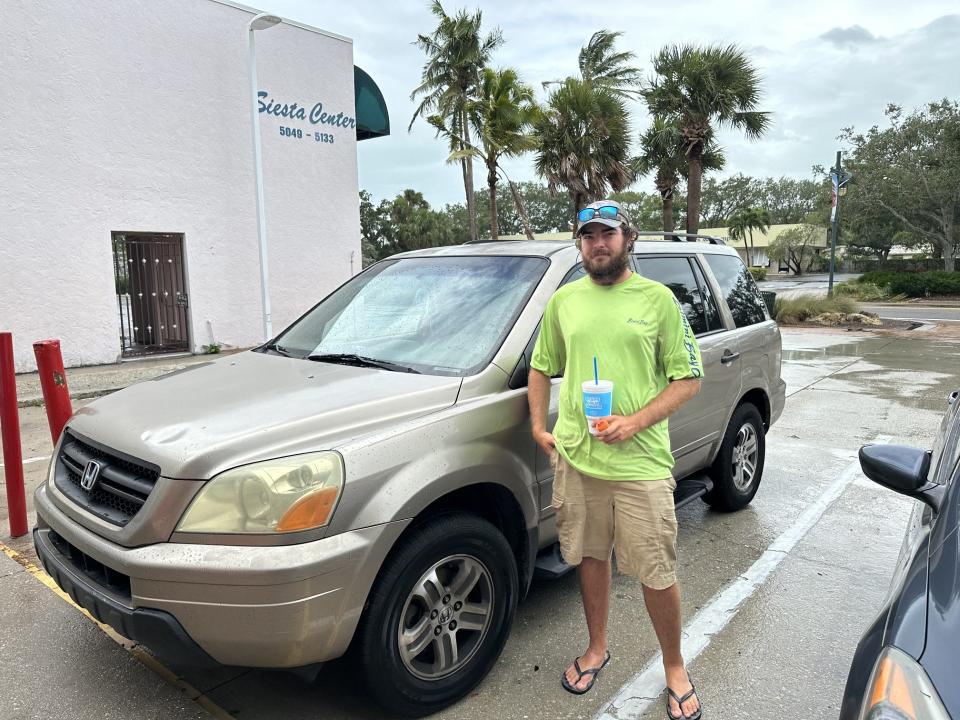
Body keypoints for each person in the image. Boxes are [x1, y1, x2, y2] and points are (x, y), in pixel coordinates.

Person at [527, 200, 704, 719]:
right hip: (579, 461)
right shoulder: (565, 302)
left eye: (607, 233)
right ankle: (597, 647)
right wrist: (539, 426)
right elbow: (542, 367)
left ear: (628, 238)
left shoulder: (658, 300)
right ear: (579, 245)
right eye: (588, 236)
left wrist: (635, 422)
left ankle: (674, 666)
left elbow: (688, 379)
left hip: (640, 465)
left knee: (655, 569)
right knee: (590, 557)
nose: (598, 243)